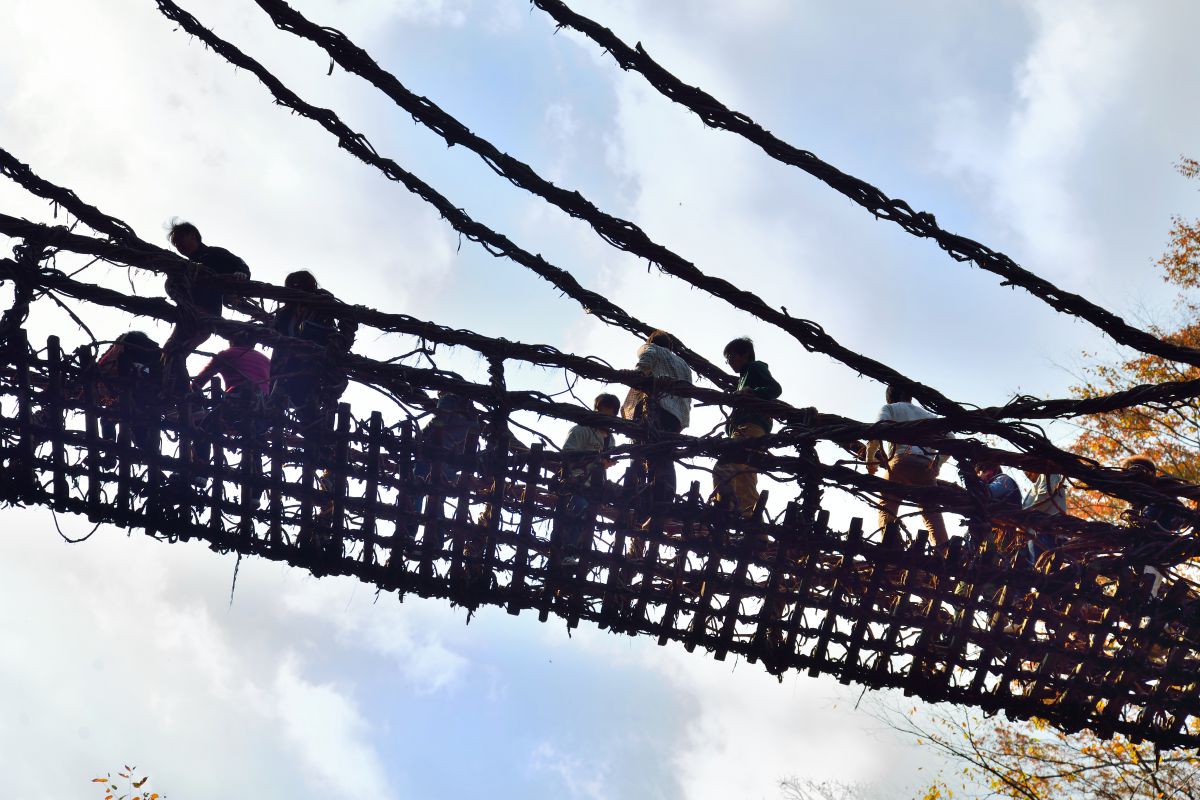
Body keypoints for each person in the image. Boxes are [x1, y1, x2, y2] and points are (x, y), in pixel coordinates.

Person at [162, 220, 253, 395]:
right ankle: (171, 390)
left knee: (178, 352)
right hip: (189, 313)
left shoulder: (214, 254)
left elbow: (240, 266)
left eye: (181, 239)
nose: (179, 245)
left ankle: (181, 394)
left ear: (193, 236)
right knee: (170, 352)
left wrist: (241, 275)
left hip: (207, 314)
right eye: (175, 243)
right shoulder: (184, 265)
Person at [268, 270, 358, 433]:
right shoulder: (284, 314)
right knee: (276, 408)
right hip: (286, 368)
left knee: (312, 411)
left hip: (315, 364)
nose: (296, 288)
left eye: (300, 284)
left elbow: (349, 320)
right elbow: (273, 334)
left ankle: (317, 440)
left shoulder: (323, 303)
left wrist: (338, 344)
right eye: (292, 286)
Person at [865, 384, 949, 547]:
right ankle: (942, 553)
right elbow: (951, 438)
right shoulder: (929, 415)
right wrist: (937, 463)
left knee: (887, 503)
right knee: (931, 512)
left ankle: (889, 546)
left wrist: (870, 462)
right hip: (925, 467)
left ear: (891, 396)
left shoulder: (890, 408)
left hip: (900, 462)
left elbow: (877, 431)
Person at [620, 330, 692, 512]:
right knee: (665, 455)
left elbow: (642, 368)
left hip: (653, 408)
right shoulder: (684, 364)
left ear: (651, 341)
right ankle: (664, 498)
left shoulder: (650, 349)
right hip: (676, 416)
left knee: (641, 449)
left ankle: (636, 493)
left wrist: (633, 376)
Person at [710, 337, 781, 517]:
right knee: (745, 481)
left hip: (749, 426)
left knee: (724, 466)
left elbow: (775, 389)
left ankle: (722, 509)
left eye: (731, 356)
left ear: (745, 355)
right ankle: (757, 536)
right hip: (751, 429)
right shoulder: (742, 378)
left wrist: (752, 392)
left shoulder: (755, 367)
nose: (729, 361)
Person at [188, 330, 271, 467]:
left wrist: (191, 399)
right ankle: (256, 475)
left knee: (204, 429)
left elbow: (197, 384)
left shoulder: (226, 354)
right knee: (255, 440)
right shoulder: (266, 360)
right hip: (261, 411)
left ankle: (200, 471)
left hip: (236, 403)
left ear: (231, 341)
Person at [557, 393, 620, 566]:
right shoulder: (581, 430)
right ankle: (565, 554)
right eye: (602, 413)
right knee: (577, 509)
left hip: (595, 487)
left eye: (609, 415)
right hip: (576, 482)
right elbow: (567, 454)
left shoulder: (610, 439)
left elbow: (606, 462)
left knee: (586, 520)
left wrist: (606, 462)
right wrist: (593, 459)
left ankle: (572, 555)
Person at [91, 331, 163, 465]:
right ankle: (154, 463)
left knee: (107, 419)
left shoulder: (122, 352)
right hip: (146, 404)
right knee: (141, 434)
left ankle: (110, 453)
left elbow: (104, 366)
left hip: (128, 400)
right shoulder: (155, 356)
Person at [1022, 469, 1068, 565]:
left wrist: (1023, 516)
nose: (1026, 473)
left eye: (1027, 469)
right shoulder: (1036, 485)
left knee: (1038, 571)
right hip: (1036, 535)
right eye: (1024, 471)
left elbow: (1044, 498)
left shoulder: (1049, 475)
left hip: (1045, 533)